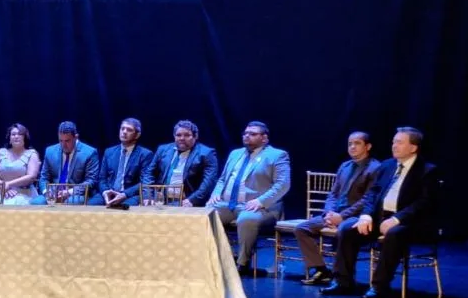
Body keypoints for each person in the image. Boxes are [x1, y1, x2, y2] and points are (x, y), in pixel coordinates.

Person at [321, 127, 439, 298]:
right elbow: (372, 194)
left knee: (394, 234)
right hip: (379, 217)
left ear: (413, 147)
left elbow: (424, 203)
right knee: (347, 228)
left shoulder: (427, 170)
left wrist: (397, 219)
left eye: (399, 142)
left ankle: (379, 286)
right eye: (393, 142)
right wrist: (366, 215)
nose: (394, 146)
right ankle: (342, 282)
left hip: (409, 222)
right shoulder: (387, 165)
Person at [295, 131, 380, 286]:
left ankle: (341, 276)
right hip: (335, 214)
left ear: (368, 146)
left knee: (344, 230)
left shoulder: (375, 168)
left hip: (357, 216)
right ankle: (321, 270)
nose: (352, 147)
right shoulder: (345, 166)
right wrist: (328, 213)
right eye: (350, 144)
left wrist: (342, 217)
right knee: (302, 228)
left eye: (357, 143)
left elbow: (367, 200)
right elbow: (333, 194)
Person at [208, 121, 291, 271]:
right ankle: (221, 256)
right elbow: (222, 179)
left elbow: (283, 184)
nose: (247, 136)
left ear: (264, 138)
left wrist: (261, 200)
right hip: (229, 204)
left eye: (252, 134)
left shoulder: (277, 155)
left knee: (246, 219)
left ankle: (242, 263)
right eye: (245, 133)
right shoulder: (235, 153)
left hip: (262, 208)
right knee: (207, 213)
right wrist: (215, 194)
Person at [150, 120, 220, 206]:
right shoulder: (163, 149)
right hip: (160, 199)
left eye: (187, 135)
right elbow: (149, 172)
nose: (182, 138)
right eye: (178, 135)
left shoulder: (206, 153)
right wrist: (148, 196)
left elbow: (208, 182)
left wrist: (192, 200)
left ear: (195, 136)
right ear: (174, 136)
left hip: (186, 200)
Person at [88, 118, 155, 207]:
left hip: (130, 195)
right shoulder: (109, 152)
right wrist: (105, 192)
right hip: (109, 192)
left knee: (124, 208)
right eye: (122, 128)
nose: (124, 132)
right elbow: (102, 178)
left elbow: (144, 182)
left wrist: (124, 194)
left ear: (137, 135)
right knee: (91, 205)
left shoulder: (145, 154)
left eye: (129, 130)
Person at [34, 121, 100, 204]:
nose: (63, 145)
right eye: (60, 141)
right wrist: (47, 192)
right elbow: (44, 178)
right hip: (53, 194)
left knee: (70, 202)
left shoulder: (89, 153)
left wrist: (68, 192)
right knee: (36, 203)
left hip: (76, 195)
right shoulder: (50, 151)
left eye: (67, 141)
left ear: (76, 137)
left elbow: (91, 181)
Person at [0, 123, 40, 204]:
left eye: (19, 134)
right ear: (9, 138)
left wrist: (8, 184)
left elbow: (31, 176)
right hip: (2, 192)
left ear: (25, 137)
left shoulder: (32, 154)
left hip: (24, 193)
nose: (16, 136)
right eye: (13, 134)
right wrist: (2, 185)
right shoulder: (1, 152)